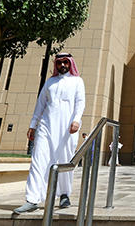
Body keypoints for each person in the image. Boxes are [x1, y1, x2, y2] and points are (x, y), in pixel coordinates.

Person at [14, 52, 85, 214]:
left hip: (67, 128)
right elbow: (40, 105)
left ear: (70, 64)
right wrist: (33, 125)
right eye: (59, 63)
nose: (62, 65)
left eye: (65, 62)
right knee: (38, 160)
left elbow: (80, 102)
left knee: (65, 161)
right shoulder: (50, 83)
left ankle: (65, 194)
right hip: (46, 127)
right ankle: (32, 200)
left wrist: (76, 120)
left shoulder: (77, 82)